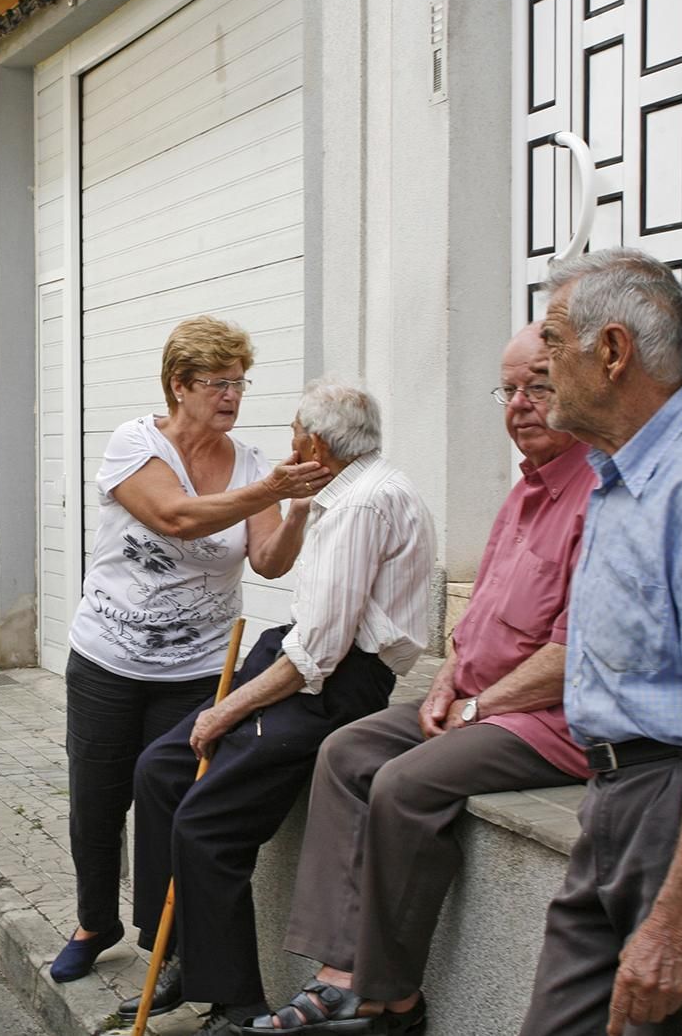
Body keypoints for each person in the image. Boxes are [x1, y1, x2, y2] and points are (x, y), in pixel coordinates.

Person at [244, 323, 596, 1034]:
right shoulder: (522, 494)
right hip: (478, 698)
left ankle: (392, 997)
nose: (521, 404)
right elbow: (478, 624)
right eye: (510, 389)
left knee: (405, 782)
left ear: (580, 388)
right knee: (346, 750)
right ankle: (339, 969)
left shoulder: (595, 495)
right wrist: (446, 685)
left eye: (540, 385)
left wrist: (476, 705)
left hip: (550, 720)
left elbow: (571, 654)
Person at [130, 377, 435, 1034]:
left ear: (317, 445)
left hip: (334, 683)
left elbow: (318, 656)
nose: (285, 445)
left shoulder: (364, 504)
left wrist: (224, 710)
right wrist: (294, 503)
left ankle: (236, 999)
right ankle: (179, 949)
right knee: (160, 768)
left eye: (296, 433)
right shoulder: (340, 492)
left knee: (206, 821)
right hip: (299, 659)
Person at [516, 248, 682, 1035]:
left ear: (614, 351)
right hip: (614, 804)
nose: (540, 363)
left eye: (553, 341)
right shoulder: (620, 474)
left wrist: (676, 924)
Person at [50, 316, 333, 984]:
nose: (232, 395)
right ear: (180, 385)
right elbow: (174, 515)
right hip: (108, 660)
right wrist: (269, 490)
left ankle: (169, 945)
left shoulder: (252, 464)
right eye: (217, 382)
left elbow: (265, 559)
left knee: (176, 799)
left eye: (240, 381)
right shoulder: (134, 443)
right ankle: (95, 920)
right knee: (97, 800)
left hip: (200, 668)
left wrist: (293, 509)